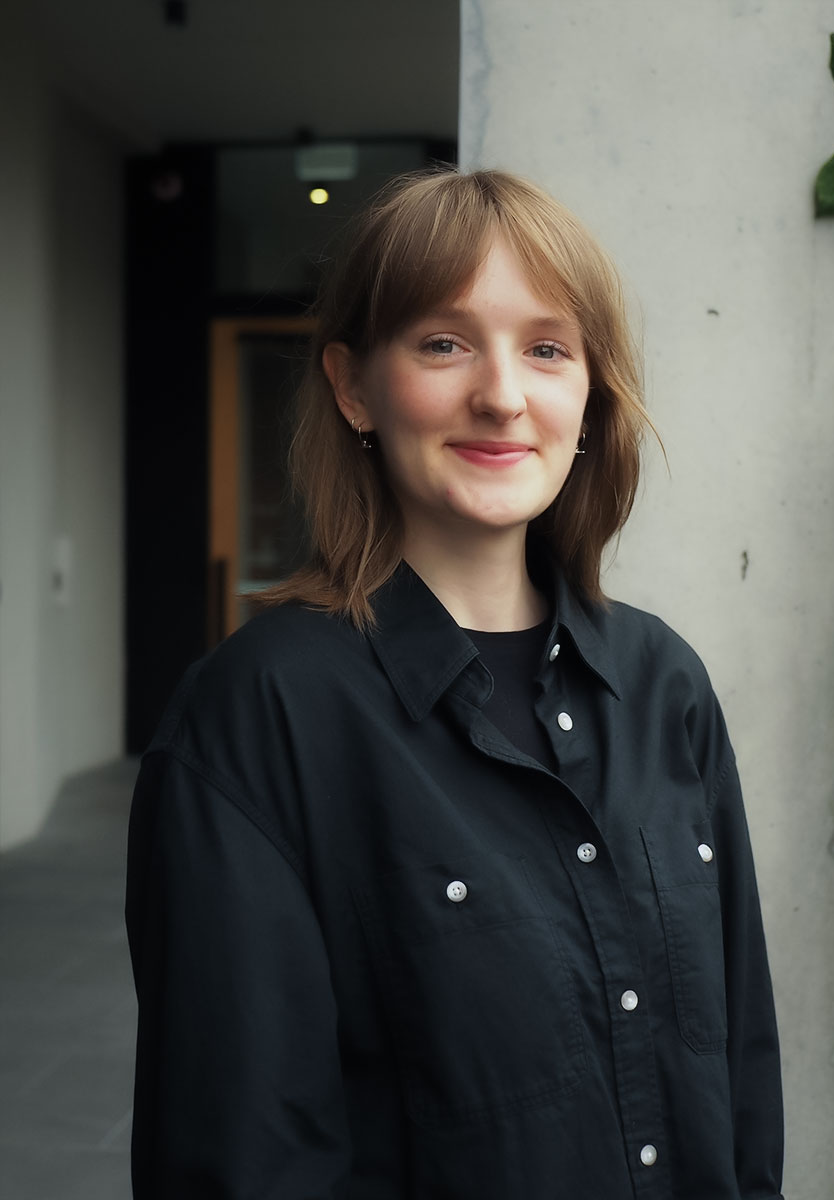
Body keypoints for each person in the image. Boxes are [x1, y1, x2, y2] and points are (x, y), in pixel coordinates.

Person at [126, 168, 784, 1200]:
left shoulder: (666, 684)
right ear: (354, 387)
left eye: (548, 349)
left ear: (589, 397)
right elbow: (241, 1155)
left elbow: (741, 1072)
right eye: (444, 343)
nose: (502, 395)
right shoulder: (259, 715)